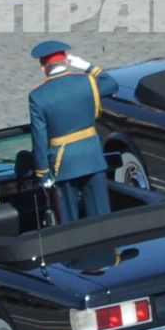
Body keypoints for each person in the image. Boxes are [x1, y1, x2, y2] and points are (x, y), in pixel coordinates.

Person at [28, 40, 118, 223]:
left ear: (43, 67)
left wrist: (43, 172)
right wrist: (87, 66)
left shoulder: (38, 96)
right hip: (92, 158)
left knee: (69, 222)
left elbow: (39, 137)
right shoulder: (87, 82)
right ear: (67, 61)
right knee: (102, 219)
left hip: (63, 164)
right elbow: (111, 84)